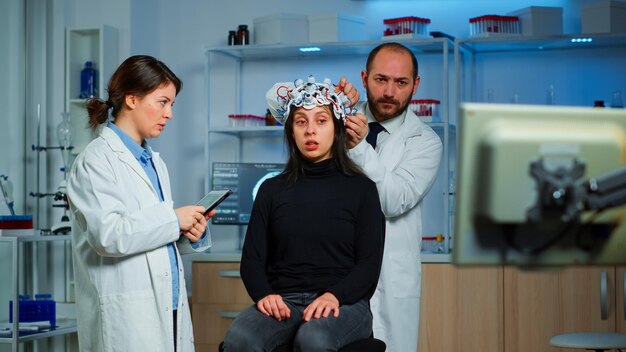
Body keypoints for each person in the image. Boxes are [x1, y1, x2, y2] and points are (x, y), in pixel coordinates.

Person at [222, 76, 385, 352]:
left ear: (337, 127)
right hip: (284, 302)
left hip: (345, 303)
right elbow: (252, 260)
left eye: (321, 121)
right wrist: (264, 295)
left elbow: (368, 265)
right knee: (239, 340)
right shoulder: (271, 190)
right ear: (291, 131)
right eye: (301, 122)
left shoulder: (363, 190)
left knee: (313, 339)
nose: (311, 131)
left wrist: (334, 296)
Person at [67, 55, 214, 352]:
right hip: (127, 313)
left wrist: (187, 233)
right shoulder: (96, 160)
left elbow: (150, 238)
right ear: (132, 99)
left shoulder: (153, 162)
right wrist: (174, 220)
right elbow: (108, 236)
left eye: (172, 104)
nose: (169, 113)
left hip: (168, 304)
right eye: (163, 102)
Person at [342, 42, 444, 351]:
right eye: (380, 79)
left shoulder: (425, 142)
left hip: (388, 279)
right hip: (334, 271)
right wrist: (330, 99)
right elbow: (277, 101)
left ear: (416, 85)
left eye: (401, 82)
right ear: (364, 78)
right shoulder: (337, 120)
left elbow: (392, 200)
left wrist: (358, 146)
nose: (389, 91)